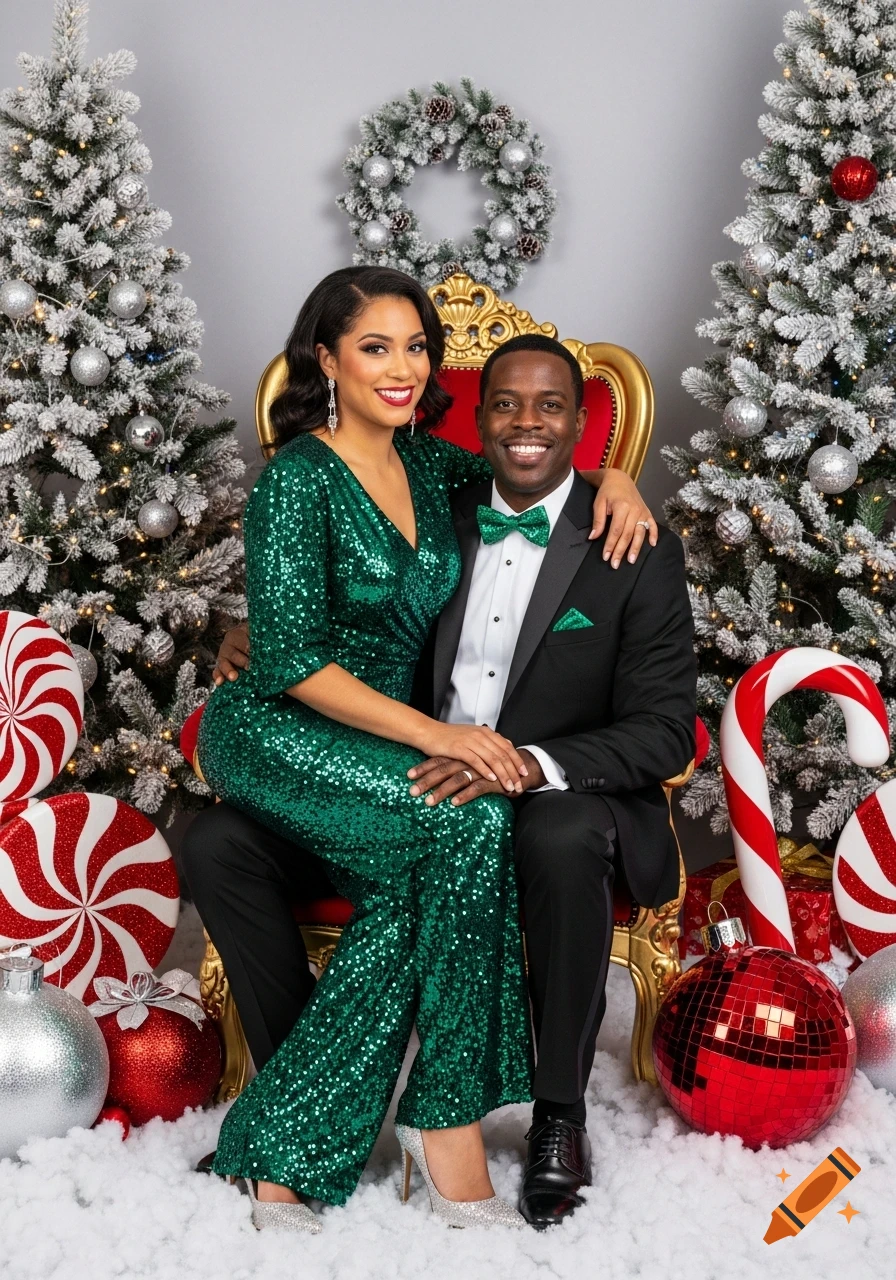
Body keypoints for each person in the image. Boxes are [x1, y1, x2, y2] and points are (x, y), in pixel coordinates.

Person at [188, 267, 656, 1233]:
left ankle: (333, 1135)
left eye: (415, 348)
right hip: (280, 733)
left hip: (380, 744)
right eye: (375, 348)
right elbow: (293, 665)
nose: (402, 370)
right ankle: (444, 1137)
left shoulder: (436, 467)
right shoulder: (295, 479)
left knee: (443, 858)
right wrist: (446, 736)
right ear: (326, 358)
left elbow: (540, 478)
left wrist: (617, 475)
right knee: (472, 814)